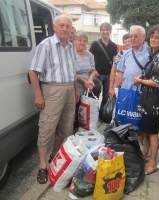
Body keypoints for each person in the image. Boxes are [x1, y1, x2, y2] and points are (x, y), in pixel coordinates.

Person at [29, 15, 79, 184]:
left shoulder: (71, 46)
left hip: (69, 90)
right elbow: (33, 72)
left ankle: (54, 155)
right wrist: (38, 94)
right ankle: (43, 166)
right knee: (47, 128)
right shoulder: (46, 45)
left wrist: (75, 89)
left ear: (71, 29)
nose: (65, 29)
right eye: (61, 25)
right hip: (52, 90)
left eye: (68, 26)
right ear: (54, 27)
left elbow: (72, 72)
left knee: (66, 127)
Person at [134, 24, 159, 175]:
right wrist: (142, 77)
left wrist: (140, 81)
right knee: (147, 130)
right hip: (147, 100)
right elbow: (150, 74)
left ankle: (153, 162)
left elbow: (157, 82)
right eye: (152, 36)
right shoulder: (154, 55)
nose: (153, 39)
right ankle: (144, 155)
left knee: (153, 133)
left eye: (157, 37)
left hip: (153, 102)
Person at [114, 25, 150, 147]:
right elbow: (121, 72)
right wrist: (114, 89)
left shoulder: (149, 52)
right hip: (126, 91)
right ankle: (125, 138)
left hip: (142, 92)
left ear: (143, 37)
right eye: (131, 36)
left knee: (140, 118)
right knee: (125, 115)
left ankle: (139, 143)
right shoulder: (126, 53)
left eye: (136, 36)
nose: (133, 38)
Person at [73, 30, 101, 133]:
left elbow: (94, 70)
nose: (82, 43)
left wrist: (89, 80)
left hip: (88, 89)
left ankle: (86, 136)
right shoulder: (70, 54)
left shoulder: (89, 54)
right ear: (74, 41)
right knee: (75, 116)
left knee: (87, 114)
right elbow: (70, 72)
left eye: (84, 41)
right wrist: (84, 81)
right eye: (80, 40)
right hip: (75, 88)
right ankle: (74, 138)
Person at [89, 22, 117, 118]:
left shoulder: (113, 46)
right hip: (97, 75)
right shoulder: (95, 44)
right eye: (103, 30)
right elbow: (90, 58)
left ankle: (102, 116)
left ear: (110, 31)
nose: (105, 32)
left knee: (106, 97)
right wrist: (92, 71)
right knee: (94, 97)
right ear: (100, 31)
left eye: (107, 29)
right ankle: (93, 116)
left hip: (108, 75)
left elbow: (115, 61)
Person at [109, 33, 132, 98]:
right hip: (119, 86)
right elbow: (113, 70)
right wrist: (111, 87)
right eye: (125, 42)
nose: (127, 43)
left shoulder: (138, 54)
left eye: (129, 41)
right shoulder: (120, 54)